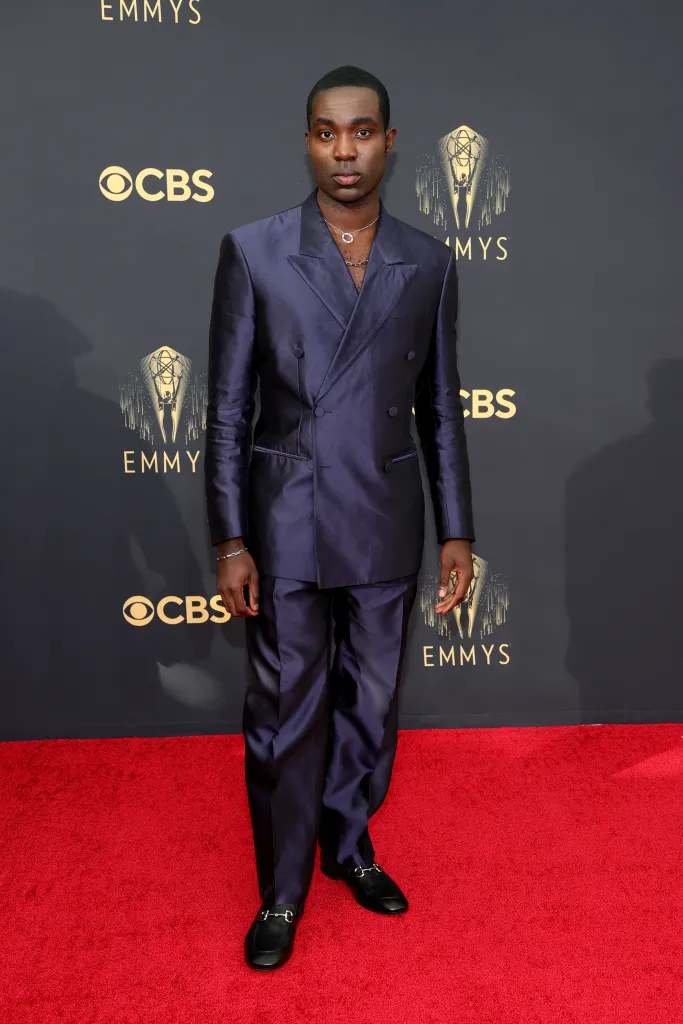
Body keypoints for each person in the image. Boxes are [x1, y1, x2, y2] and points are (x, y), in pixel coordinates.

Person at [204, 65, 475, 970]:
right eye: (327, 131)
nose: (345, 149)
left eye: (362, 131)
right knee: (285, 712)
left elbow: (440, 406)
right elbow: (226, 409)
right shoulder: (254, 250)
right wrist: (230, 536)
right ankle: (281, 892)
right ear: (307, 140)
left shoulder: (429, 260)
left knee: (369, 707)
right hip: (284, 522)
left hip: (386, 519)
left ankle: (348, 848)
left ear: (389, 142)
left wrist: (456, 531)